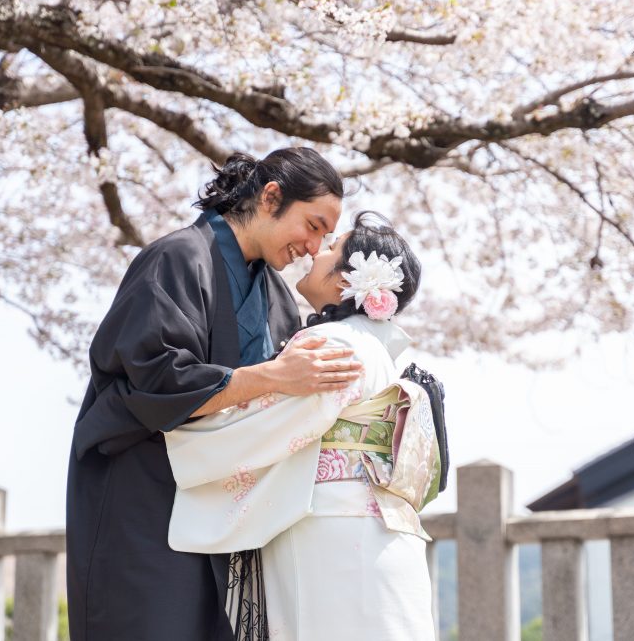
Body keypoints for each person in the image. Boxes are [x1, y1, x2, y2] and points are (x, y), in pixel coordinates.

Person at [66, 147, 364, 641]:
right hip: (145, 494)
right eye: (312, 225)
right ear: (271, 197)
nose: (314, 248)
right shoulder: (177, 257)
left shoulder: (276, 298)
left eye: (325, 237)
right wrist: (272, 377)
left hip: (225, 511)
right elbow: (156, 377)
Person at [166, 212, 440, 641]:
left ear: (347, 279)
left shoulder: (329, 345)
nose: (315, 250)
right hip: (378, 531)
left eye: (331, 247)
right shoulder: (375, 349)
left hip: (330, 532)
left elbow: (262, 429)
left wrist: (171, 424)